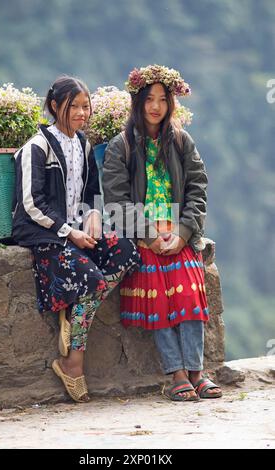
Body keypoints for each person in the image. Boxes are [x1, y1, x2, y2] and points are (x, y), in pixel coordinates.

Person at [12, 75, 140, 403]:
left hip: (78, 232)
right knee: (94, 283)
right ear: (55, 107)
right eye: (75, 106)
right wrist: (70, 232)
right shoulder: (35, 148)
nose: (82, 113)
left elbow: (92, 190)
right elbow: (31, 203)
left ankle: (75, 314)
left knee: (128, 250)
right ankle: (73, 362)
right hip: (47, 237)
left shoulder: (82, 144)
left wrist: (94, 216)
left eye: (86, 106)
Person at [103, 65, 222, 401]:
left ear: (171, 104)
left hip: (179, 233)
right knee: (159, 294)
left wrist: (184, 232)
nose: (155, 106)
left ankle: (197, 371)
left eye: (162, 100)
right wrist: (149, 234)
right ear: (138, 102)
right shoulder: (121, 146)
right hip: (143, 236)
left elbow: (198, 186)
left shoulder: (182, 140)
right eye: (149, 99)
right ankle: (177, 373)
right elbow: (115, 198)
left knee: (187, 291)